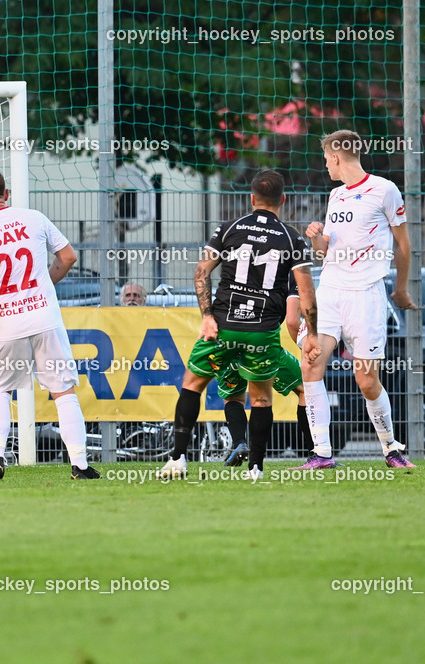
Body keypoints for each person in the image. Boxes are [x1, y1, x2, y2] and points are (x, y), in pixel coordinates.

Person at [158, 169, 320, 482]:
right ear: (282, 200)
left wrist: (207, 316)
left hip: (223, 326)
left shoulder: (229, 228)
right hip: (261, 332)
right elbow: (306, 291)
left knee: (193, 384)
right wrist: (311, 334)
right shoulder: (292, 238)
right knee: (261, 398)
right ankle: (256, 469)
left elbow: (201, 272)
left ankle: (177, 459)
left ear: (251, 198)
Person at [0, 168, 100, 481]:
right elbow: (68, 256)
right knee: (63, 391)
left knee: (1, 390)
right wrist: (44, 284)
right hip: (43, 316)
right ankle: (79, 464)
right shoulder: (34, 217)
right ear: (6, 194)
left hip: (5, 321)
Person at [300, 130, 417, 469]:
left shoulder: (384, 190)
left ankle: (391, 448)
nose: (325, 165)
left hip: (366, 295)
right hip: (332, 292)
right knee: (311, 363)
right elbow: (326, 252)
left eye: (326, 158)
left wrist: (402, 288)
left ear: (336, 157)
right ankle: (321, 454)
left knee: (366, 381)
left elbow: (404, 245)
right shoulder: (336, 196)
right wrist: (316, 239)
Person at [215, 273, 316, 467]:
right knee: (305, 389)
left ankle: (240, 444)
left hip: (228, 340)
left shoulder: (238, 261)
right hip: (262, 342)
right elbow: (293, 320)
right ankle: (315, 452)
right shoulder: (290, 271)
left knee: (233, 397)